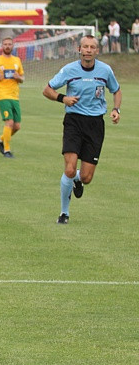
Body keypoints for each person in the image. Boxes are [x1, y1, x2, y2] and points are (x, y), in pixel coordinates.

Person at [42, 35, 121, 225]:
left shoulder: (105, 70)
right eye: (85, 46)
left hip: (95, 125)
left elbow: (116, 90)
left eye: (92, 47)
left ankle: (78, 178)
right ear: (79, 49)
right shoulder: (69, 69)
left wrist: (116, 109)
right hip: (74, 122)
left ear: (97, 51)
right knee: (69, 169)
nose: (88, 50)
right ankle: (64, 213)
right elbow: (47, 90)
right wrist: (63, 99)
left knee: (86, 177)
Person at [0, 37, 24, 158]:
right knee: (9, 123)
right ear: (2, 46)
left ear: (13, 46)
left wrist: (18, 77)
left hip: (15, 96)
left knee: (17, 126)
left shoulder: (17, 60)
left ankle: (1, 140)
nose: (7, 46)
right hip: (3, 96)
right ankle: (6, 150)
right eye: (5, 44)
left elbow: (22, 79)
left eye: (9, 44)